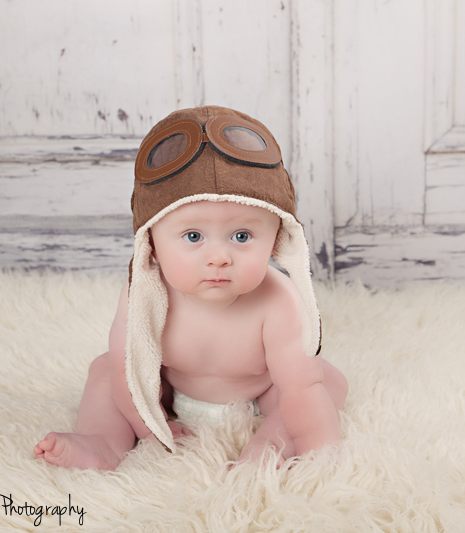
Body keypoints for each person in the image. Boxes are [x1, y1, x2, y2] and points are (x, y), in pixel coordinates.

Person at [34, 106, 347, 470]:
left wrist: (320, 462)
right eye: (193, 236)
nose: (219, 258)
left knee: (323, 382)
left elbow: (299, 389)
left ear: (277, 239)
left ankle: (267, 447)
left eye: (241, 236)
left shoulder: (279, 301)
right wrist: (149, 428)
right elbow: (126, 370)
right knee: (105, 369)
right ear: (152, 243)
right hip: (170, 392)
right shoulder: (145, 294)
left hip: (258, 394)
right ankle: (103, 441)